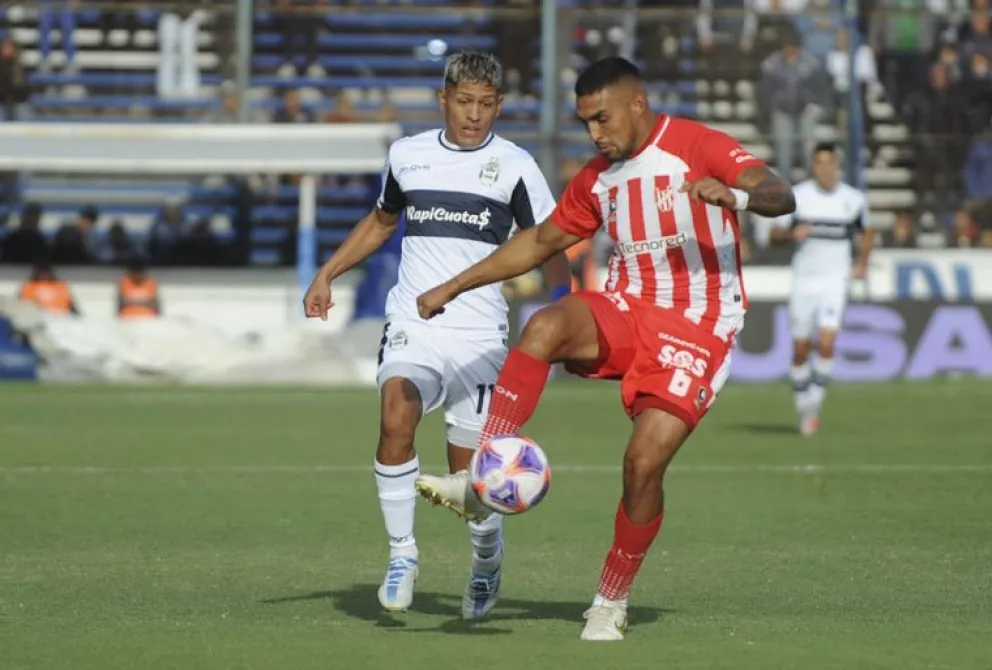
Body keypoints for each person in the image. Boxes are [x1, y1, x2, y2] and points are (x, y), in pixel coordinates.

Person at [413, 56, 795, 641]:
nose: (596, 134)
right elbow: (540, 241)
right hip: (625, 308)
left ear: (637, 104)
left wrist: (737, 198)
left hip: (699, 324)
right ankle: (483, 478)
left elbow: (779, 193)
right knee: (543, 325)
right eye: (586, 122)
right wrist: (454, 284)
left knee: (643, 464)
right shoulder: (598, 179)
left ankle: (610, 601)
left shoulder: (698, 144)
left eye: (602, 119)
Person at [301, 51, 571, 618]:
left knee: (470, 480)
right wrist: (328, 272)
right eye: (465, 101)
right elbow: (381, 221)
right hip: (414, 323)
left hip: (480, 337)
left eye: (486, 104)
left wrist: (566, 311)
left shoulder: (516, 166)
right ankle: (402, 554)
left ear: (498, 106)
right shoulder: (409, 155)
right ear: (443, 98)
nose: (474, 114)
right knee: (395, 416)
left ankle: (487, 557)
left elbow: (549, 242)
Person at [769, 143, 872, 436]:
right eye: (819, 163)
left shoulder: (853, 199)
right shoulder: (798, 197)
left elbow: (867, 232)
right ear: (813, 167)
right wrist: (791, 234)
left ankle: (813, 404)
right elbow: (774, 236)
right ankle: (802, 400)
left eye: (830, 163)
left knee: (827, 342)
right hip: (804, 280)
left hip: (835, 281)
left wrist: (862, 262)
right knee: (801, 347)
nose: (825, 169)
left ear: (837, 166)